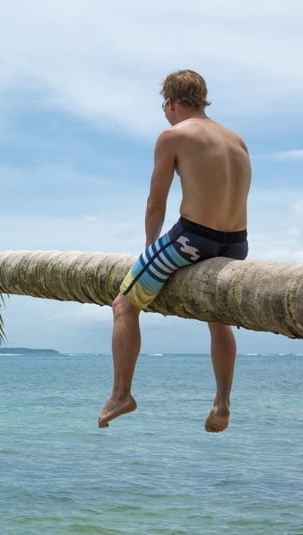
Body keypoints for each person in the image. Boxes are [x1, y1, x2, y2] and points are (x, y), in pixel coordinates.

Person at [97, 69, 251, 432]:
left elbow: (156, 202)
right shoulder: (237, 140)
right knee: (218, 318)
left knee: (124, 304)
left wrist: (149, 250)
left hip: (192, 238)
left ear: (170, 103)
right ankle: (221, 403)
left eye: (164, 108)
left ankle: (122, 394)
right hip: (237, 241)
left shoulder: (173, 136)